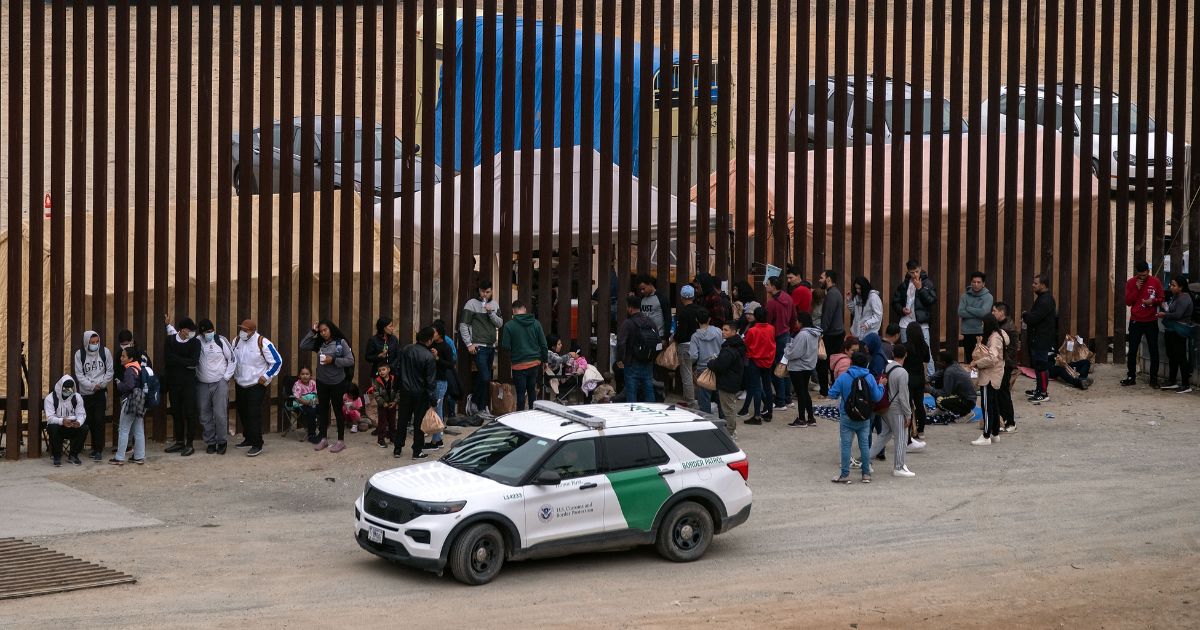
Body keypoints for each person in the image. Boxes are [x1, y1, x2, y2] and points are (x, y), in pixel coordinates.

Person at [300, 320, 356, 453]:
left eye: (325, 330)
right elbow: (303, 345)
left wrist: (334, 360)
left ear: (331, 329)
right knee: (323, 410)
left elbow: (350, 360)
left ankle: (341, 441)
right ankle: (323, 439)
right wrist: (312, 331)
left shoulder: (340, 343)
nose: (323, 333)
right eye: (321, 331)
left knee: (337, 410)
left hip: (337, 382)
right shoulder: (319, 344)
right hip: (322, 381)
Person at [829, 352, 884, 484]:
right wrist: (881, 385)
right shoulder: (869, 377)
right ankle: (865, 474)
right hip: (864, 416)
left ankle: (845, 475)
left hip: (847, 415)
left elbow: (832, 394)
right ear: (866, 364)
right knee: (864, 445)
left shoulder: (843, 377)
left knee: (846, 445)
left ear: (851, 362)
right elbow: (877, 397)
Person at [232, 319, 282, 456]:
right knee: (242, 412)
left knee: (253, 414)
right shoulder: (236, 341)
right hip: (240, 384)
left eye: (245, 330)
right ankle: (248, 438)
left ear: (253, 331)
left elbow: (277, 361)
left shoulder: (263, 342)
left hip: (255, 385)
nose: (242, 332)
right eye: (241, 329)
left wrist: (266, 376)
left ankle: (257, 444)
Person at [869, 345, 915, 477]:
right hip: (897, 409)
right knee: (901, 437)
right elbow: (903, 396)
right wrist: (908, 414)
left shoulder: (886, 367)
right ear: (905, 354)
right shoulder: (902, 372)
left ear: (893, 353)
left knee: (884, 435)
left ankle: (867, 460)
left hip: (884, 406)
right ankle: (899, 467)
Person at [459, 280, 504, 415]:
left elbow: (500, 323)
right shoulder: (471, 304)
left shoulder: (494, 304)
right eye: (482, 291)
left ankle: (479, 403)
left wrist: (491, 313)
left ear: (491, 291)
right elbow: (463, 325)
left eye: (487, 292)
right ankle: (479, 404)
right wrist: (468, 344)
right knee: (484, 377)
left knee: (485, 377)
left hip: (491, 346)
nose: (485, 294)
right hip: (478, 346)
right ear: (478, 290)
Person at [194, 318, 236, 455]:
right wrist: (168, 326)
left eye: (211, 331)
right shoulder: (196, 341)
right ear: (201, 333)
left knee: (220, 414)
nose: (210, 333)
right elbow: (181, 336)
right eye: (207, 332)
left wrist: (225, 378)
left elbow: (232, 359)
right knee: (204, 414)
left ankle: (222, 441)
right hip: (202, 384)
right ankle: (210, 442)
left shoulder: (221, 340)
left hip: (219, 383)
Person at [395, 326, 437, 460]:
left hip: (405, 391)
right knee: (419, 423)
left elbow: (398, 369)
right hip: (421, 393)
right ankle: (416, 451)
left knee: (402, 420)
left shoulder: (406, 349)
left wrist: (397, 387)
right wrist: (433, 399)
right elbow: (430, 381)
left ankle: (397, 448)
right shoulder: (429, 357)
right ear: (429, 341)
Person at [499, 300, 549, 411]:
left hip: (518, 365)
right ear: (525, 309)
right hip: (534, 363)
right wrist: (545, 360)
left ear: (513, 311)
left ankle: (520, 417)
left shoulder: (509, 326)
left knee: (520, 393)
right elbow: (544, 344)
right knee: (532, 391)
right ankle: (533, 414)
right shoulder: (536, 323)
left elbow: (505, 346)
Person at [891, 260, 937, 376]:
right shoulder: (905, 284)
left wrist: (920, 289)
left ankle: (931, 378)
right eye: (912, 272)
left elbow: (931, 301)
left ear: (920, 268)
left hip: (921, 323)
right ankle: (908, 376)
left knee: (927, 351)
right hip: (905, 322)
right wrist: (902, 309)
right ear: (908, 272)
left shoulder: (927, 283)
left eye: (917, 271)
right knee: (907, 351)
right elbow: (895, 301)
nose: (915, 275)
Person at [1122, 261, 1165, 387]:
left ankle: (1153, 379)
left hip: (1151, 321)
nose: (1142, 278)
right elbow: (1128, 302)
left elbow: (1161, 298)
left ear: (1148, 272)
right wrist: (1137, 288)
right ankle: (1131, 376)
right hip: (1136, 320)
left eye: (1144, 275)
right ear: (1137, 273)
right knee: (1132, 350)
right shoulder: (1131, 282)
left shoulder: (1155, 281)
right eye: (1140, 275)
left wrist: (1152, 301)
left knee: (1153, 350)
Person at [967, 314, 1008, 446]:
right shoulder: (998, 334)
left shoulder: (994, 339)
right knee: (994, 404)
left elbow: (992, 358)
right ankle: (994, 433)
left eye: (983, 324)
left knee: (987, 406)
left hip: (989, 376)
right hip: (995, 375)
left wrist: (977, 363)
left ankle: (986, 435)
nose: (982, 326)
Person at [163, 317, 201, 457]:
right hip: (174, 383)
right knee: (176, 412)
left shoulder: (195, 343)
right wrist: (184, 362)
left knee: (190, 413)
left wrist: (176, 359)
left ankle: (189, 443)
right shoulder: (170, 340)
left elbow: (194, 362)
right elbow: (168, 359)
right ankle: (179, 441)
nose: (191, 333)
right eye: (189, 330)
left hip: (189, 383)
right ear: (182, 329)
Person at [74, 329, 114, 462]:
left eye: (97, 342)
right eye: (92, 342)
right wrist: (91, 385)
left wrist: (101, 384)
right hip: (86, 393)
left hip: (101, 392)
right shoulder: (79, 355)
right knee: (88, 420)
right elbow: (79, 375)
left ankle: (98, 450)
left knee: (99, 420)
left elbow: (109, 371)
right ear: (87, 342)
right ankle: (85, 448)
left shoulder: (105, 352)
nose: (95, 344)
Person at [707, 321, 747, 439]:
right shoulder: (737, 345)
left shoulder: (729, 348)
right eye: (722, 329)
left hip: (727, 382)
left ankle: (730, 432)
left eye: (726, 330)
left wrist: (711, 363)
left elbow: (720, 365)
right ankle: (731, 429)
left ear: (733, 332)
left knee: (728, 408)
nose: (723, 332)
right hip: (733, 380)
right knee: (730, 406)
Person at [1021, 273, 1058, 403]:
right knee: (1037, 365)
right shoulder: (1042, 298)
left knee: (1041, 365)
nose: (1033, 285)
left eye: (1036, 283)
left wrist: (1025, 315)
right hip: (1038, 337)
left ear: (1043, 285)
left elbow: (1034, 318)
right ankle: (1038, 388)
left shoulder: (1046, 300)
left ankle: (1043, 392)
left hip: (1042, 338)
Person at [615, 296, 659, 403]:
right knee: (649, 390)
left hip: (631, 362)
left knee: (631, 392)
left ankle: (633, 414)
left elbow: (621, 343)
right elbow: (658, 342)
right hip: (648, 362)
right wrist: (652, 357)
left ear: (630, 308)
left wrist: (620, 359)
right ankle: (652, 412)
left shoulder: (628, 323)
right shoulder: (650, 322)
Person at [1157, 275, 1195, 393]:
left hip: (1179, 331)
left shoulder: (1184, 298)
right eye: (1171, 285)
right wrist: (1165, 307)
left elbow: (1178, 314)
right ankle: (1172, 381)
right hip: (1171, 330)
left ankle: (1186, 384)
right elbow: (1171, 310)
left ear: (1181, 287)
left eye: (1174, 285)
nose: (1171, 287)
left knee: (1180, 356)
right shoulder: (1176, 297)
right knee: (1171, 356)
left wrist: (1165, 315)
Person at [784, 312, 821, 427]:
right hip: (808, 366)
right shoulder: (815, 333)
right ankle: (810, 417)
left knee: (801, 393)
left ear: (801, 322)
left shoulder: (802, 335)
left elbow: (794, 353)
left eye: (797, 321)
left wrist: (787, 349)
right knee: (804, 392)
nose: (796, 323)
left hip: (798, 367)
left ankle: (801, 419)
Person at [112, 346, 147, 466]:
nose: (121, 358)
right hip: (140, 400)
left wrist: (119, 384)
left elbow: (129, 386)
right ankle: (139, 456)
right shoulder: (138, 367)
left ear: (130, 358)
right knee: (138, 429)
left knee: (123, 429)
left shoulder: (129, 370)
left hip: (131, 400)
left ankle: (119, 457)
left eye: (123, 356)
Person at [766, 276, 796, 409]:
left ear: (773, 286)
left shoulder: (772, 303)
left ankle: (780, 401)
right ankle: (788, 398)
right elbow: (794, 317)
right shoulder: (788, 298)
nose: (766, 286)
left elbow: (767, 321)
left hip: (776, 337)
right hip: (787, 334)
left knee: (777, 368)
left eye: (768, 284)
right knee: (785, 366)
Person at [44, 375, 88, 466]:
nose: (68, 391)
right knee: (53, 427)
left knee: (84, 428)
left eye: (70, 388)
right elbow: (50, 418)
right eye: (65, 388)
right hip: (58, 426)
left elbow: (81, 414)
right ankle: (57, 456)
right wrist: (62, 421)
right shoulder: (50, 398)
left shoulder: (77, 397)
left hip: (72, 425)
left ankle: (73, 455)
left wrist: (78, 422)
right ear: (60, 387)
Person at [687, 308, 724, 415]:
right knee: (720, 397)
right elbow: (724, 346)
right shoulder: (718, 331)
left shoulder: (695, 337)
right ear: (709, 319)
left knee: (704, 399)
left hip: (703, 370)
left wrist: (694, 363)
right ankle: (723, 422)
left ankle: (707, 422)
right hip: (718, 367)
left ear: (696, 320)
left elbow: (693, 355)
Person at [675, 284, 705, 406]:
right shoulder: (700, 310)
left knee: (686, 372)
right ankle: (703, 397)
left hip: (686, 345)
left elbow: (681, 333)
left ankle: (690, 400)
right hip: (700, 344)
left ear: (682, 297)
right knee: (701, 371)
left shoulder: (683, 313)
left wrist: (674, 338)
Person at [992, 302, 1020, 432]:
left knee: (1003, 393)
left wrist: (1002, 362)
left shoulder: (1008, 328)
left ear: (1001, 312)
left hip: (1005, 365)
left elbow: (1010, 350)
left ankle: (1011, 422)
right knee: (998, 392)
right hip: (1001, 363)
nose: (993, 313)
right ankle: (1002, 419)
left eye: (994, 311)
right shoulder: (1000, 325)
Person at [818, 270, 846, 396]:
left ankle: (826, 390)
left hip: (831, 335)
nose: (820, 280)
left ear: (828, 279)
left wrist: (821, 332)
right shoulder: (834, 293)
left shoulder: (832, 294)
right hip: (835, 333)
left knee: (824, 363)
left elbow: (827, 316)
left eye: (821, 277)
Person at [429, 322, 457, 447]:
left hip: (441, 381)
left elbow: (450, 365)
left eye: (434, 332)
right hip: (431, 380)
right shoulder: (431, 344)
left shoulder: (446, 346)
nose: (432, 334)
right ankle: (437, 438)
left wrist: (437, 358)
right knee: (434, 408)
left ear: (439, 334)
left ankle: (437, 440)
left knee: (437, 409)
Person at [928, 350, 977, 417]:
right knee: (938, 380)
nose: (936, 362)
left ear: (943, 362)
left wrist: (930, 390)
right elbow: (940, 373)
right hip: (965, 397)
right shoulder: (952, 364)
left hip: (967, 402)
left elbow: (945, 393)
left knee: (940, 400)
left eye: (938, 361)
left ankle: (967, 413)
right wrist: (929, 379)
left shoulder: (949, 372)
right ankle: (941, 410)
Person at [903, 321, 931, 439]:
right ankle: (921, 430)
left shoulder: (905, 346)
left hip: (908, 377)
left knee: (908, 405)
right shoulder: (924, 346)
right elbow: (927, 359)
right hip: (920, 377)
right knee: (919, 404)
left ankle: (909, 429)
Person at [958, 271, 994, 356]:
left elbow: (984, 313)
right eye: (974, 282)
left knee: (980, 358)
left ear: (983, 284)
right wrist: (977, 312)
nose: (976, 284)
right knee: (969, 358)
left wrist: (968, 308)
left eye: (979, 282)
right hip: (967, 332)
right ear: (971, 283)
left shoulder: (988, 297)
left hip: (981, 331)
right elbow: (960, 312)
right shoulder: (965, 296)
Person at [367, 363, 399, 448]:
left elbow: (398, 391)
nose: (381, 372)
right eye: (380, 370)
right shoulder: (377, 381)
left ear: (388, 370)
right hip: (382, 405)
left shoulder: (394, 379)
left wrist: (395, 401)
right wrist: (382, 402)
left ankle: (393, 438)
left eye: (383, 370)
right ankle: (381, 439)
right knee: (382, 422)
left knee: (392, 422)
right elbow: (376, 393)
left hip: (392, 404)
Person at [292, 366, 320, 443]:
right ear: (299, 376)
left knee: (323, 408)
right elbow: (297, 398)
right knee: (312, 411)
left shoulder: (313, 383)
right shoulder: (297, 384)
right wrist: (308, 403)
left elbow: (317, 394)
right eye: (302, 374)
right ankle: (311, 435)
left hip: (313, 402)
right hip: (301, 404)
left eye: (307, 374)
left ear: (310, 375)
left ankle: (322, 432)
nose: (305, 376)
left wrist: (316, 401)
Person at [637, 274, 669, 339]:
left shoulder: (661, 298)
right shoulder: (642, 299)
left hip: (659, 335)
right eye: (640, 289)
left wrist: (665, 337)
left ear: (650, 284)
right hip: (644, 335)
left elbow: (667, 318)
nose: (642, 291)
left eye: (644, 288)